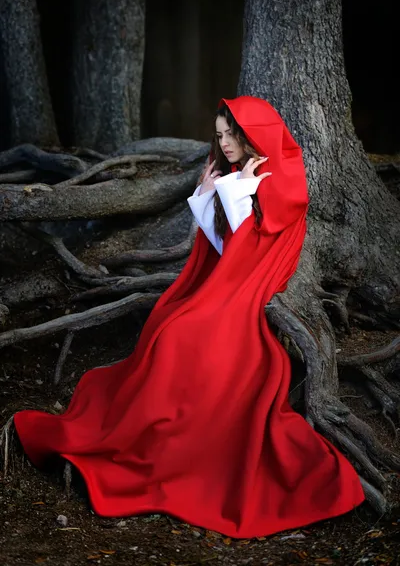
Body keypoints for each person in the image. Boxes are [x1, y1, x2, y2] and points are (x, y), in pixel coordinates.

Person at [13, 96, 365, 538]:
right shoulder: (237, 175)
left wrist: (235, 192)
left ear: (251, 133)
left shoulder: (282, 177)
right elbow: (223, 248)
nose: (225, 143)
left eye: (232, 134)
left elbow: (253, 250)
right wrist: (207, 195)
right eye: (219, 135)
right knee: (168, 323)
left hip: (250, 289)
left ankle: (169, 445)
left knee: (186, 334)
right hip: (229, 284)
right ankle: (146, 434)